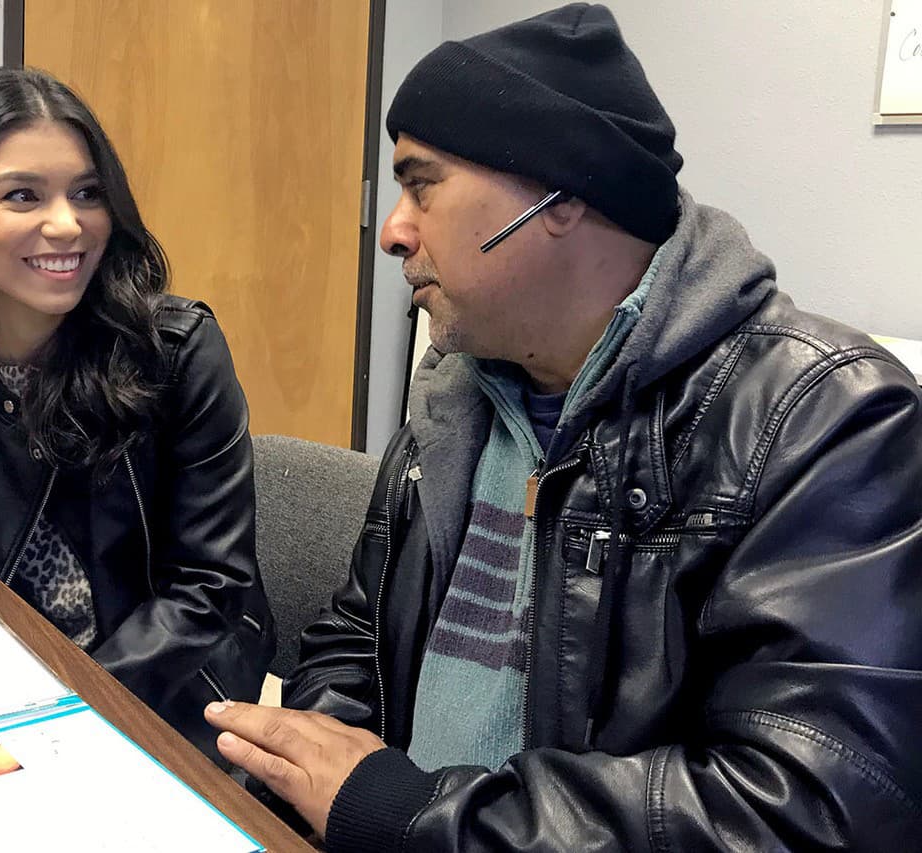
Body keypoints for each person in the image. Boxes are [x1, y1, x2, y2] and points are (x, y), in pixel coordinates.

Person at [204, 5, 922, 850]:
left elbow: (807, 808)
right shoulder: (456, 399)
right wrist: (319, 772)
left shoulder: (824, 419)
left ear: (561, 194)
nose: (394, 229)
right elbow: (354, 634)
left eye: (421, 182)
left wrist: (411, 815)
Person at [0, 67, 275, 756]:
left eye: (88, 193)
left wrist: (57, 704)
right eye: (22, 195)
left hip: (165, 696)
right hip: (7, 705)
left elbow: (211, 592)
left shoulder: (176, 353)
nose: (67, 224)